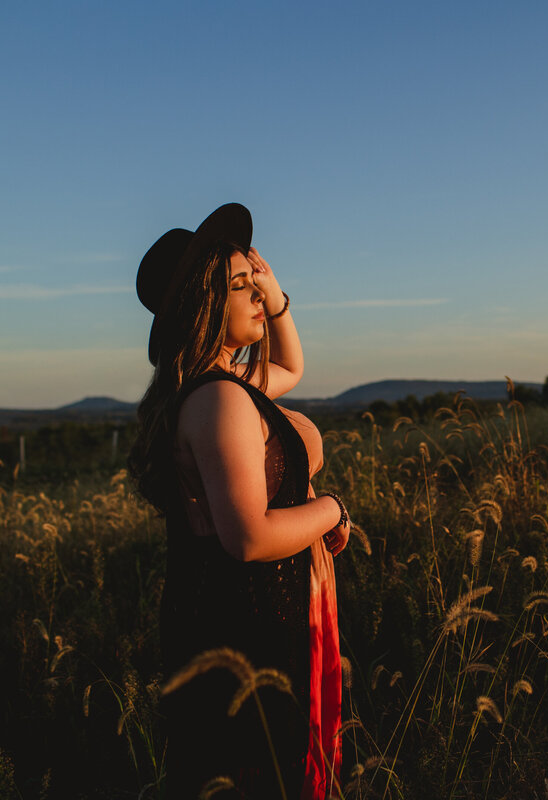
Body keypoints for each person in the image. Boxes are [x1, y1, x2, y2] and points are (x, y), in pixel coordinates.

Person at [128, 203, 348, 800]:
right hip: (250, 626)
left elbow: (290, 367)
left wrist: (275, 297)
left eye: (254, 283)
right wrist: (332, 511)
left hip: (241, 617)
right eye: (239, 286)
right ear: (205, 304)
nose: (255, 295)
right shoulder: (218, 400)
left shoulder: (217, 387)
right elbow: (247, 537)